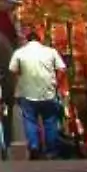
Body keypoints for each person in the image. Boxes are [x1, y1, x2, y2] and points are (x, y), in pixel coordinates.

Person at [10, 28, 66, 158]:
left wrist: (21, 78)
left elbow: (13, 70)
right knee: (50, 121)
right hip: (48, 92)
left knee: (30, 120)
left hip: (27, 92)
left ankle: (34, 145)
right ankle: (51, 150)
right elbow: (62, 69)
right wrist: (56, 82)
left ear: (27, 40)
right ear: (39, 40)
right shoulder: (50, 51)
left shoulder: (19, 52)